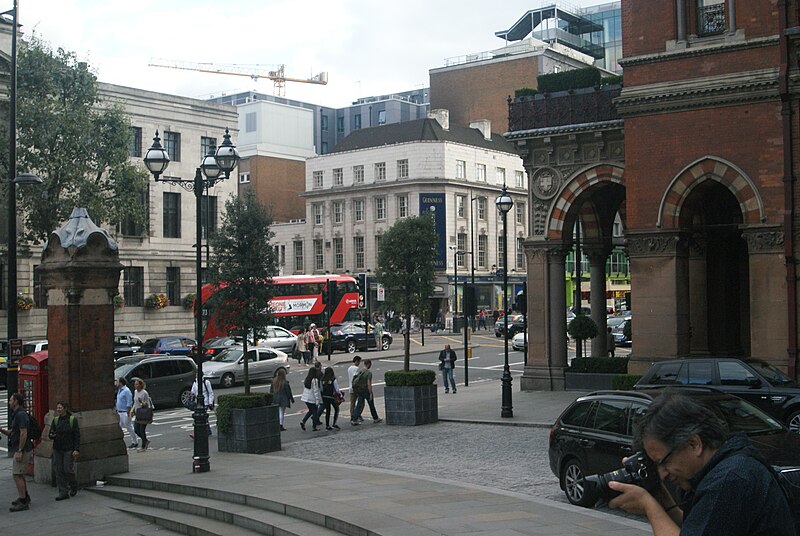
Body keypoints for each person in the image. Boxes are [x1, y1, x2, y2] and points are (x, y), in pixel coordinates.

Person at [608, 390, 795, 536]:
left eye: (663, 462)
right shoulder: (725, 467)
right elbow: (697, 528)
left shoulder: (730, 479)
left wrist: (648, 504)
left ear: (694, 444)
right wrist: (660, 498)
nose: (663, 473)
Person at [1, 393, 33, 511]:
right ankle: (24, 496)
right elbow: (15, 431)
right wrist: (3, 431)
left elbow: (23, 433)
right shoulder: (17, 414)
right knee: (20, 474)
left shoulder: (20, 414)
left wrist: (20, 450)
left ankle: (23, 501)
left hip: (23, 449)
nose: (9, 402)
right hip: (21, 448)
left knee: (16, 475)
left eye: (10, 400)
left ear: (16, 402)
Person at [48, 401, 80, 501]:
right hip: (57, 448)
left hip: (68, 448)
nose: (58, 410)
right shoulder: (55, 420)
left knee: (67, 469)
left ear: (65, 408)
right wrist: (52, 435)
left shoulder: (72, 420)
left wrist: (76, 449)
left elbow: (76, 436)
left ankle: (73, 484)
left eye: (60, 408)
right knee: (59, 470)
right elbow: (50, 433)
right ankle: (63, 491)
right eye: (57, 408)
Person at [350, 359, 382, 425]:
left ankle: (354, 419)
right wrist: (370, 393)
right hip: (366, 390)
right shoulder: (368, 373)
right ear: (369, 364)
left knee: (359, 405)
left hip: (360, 390)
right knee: (371, 405)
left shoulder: (360, 371)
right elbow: (369, 384)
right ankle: (375, 418)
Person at [132, 377, 154, 452]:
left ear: (140, 385)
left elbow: (147, 404)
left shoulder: (144, 393)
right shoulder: (135, 392)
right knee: (136, 430)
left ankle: (143, 446)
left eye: (137, 384)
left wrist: (142, 402)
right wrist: (132, 410)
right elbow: (135, 403)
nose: (135, 386)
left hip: (143, 413)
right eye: (135, 384)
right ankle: (145, 440)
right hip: (137, 413)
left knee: (142, 430)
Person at [115, 377, 137, 449]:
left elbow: (129, 402)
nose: (116, 383)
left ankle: (135, 441)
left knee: (129, 427)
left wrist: (128, 412)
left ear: (121, 383)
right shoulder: (120, 390)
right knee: (120, 427)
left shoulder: (126, 391)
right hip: (120, 412)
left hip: (125, 412)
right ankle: (119, 441)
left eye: (117, 381)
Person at [300, 366, 323, 431]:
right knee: (315, 412)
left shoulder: (307, 379)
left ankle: (303, 421)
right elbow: (316, 391)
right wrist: (317, 400)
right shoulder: (314, 380)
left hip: (306, 398)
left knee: (311, 411)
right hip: (311, 398)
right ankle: (314, 426)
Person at [320, 367, 342, 431]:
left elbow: (321, 389)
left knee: (328, 411)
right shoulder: (333, 379)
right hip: (331, 397)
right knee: (336, 409)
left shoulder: (322, 380)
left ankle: (327, 425)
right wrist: (340, 395)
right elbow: (337, 389)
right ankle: (334, 423)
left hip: (325, 397)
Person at [347, 355, 363, 421]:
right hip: (356, 388)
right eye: (359, 362)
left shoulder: (349, 368)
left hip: (350, 387)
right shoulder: (356, 368)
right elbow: (355, 377)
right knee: (361, 402)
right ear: (356, 361)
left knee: (352, 403)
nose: (359, 363)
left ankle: (352, 415)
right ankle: (358, 414)